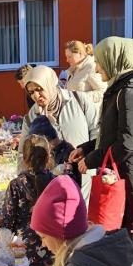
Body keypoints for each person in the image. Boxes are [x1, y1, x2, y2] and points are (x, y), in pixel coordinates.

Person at [69, 36, 133, 236]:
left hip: (128, 178)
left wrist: (92, 159)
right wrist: (87, 148)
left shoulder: (128, 92)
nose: (96, 69)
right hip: (121, 173)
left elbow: (127, 142)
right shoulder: (118, 88)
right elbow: (111, 133)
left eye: (99, 62)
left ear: (114, 59)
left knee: (125, 233)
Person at [0, 135, 55, 266]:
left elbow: (6, 219)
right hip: (48, 242)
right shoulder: (55, 181)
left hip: (22, 246)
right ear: (48, 157)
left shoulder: (17, 184)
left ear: (24, 158)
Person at [20, 65, 98, 203]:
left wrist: (90, 158)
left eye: (39, 89)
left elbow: (97, 132)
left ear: (50, 84)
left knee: (82, 212)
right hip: (51, 183)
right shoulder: (31, 117)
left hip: (84, 173)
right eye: (31, 92)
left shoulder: (79, 100)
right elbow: (23, 152)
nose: (36, 96)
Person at [28, 115, 81, 187]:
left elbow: (73, 185)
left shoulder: (68, 153)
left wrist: (67, 172)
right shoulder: (54, 150)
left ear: (46, 141)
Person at [65, 40, 106, 112]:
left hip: (89, 114)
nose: (67, 60)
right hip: (77, 112)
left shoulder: (92, 67)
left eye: (70, 57)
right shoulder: (74, 69)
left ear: (80, 54)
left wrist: (80, 96)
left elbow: (102, 91)